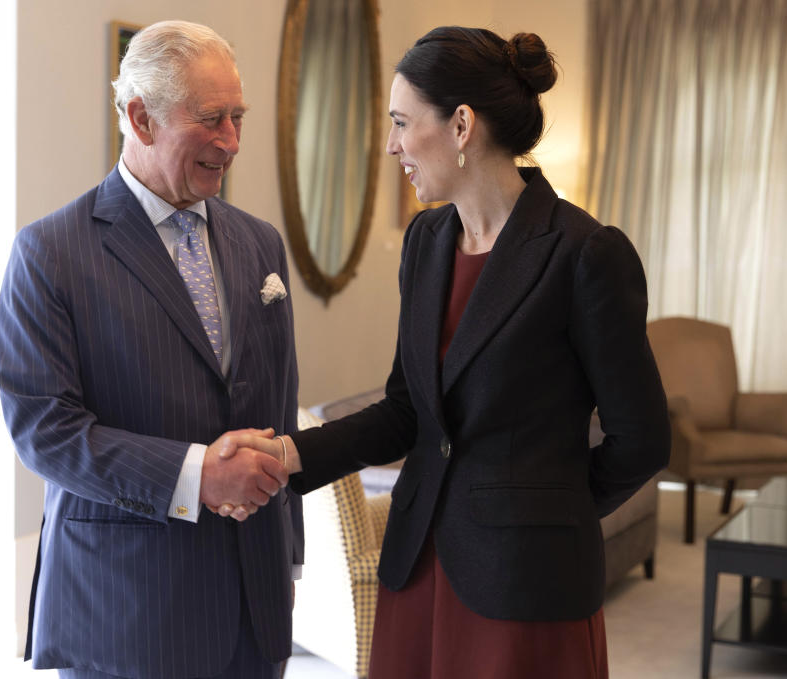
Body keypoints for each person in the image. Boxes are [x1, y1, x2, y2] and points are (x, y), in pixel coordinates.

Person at [220, 25, 670, 678]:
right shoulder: (427, 240)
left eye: (403, 122)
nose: (392, 145)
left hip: (525, 585)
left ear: (462, 125)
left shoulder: (584, 253)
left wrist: (545, 511)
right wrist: (290, 452)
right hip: (416, 561)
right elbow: (406, 408)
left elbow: (644, 438)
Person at [0, 20, 302, 679]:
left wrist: (289, 556)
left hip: (257, 609)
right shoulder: (49, 253)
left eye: (239, 117)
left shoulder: (261, 244)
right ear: (139, 117)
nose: (232, 141)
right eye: (212, 118)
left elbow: (281, 402)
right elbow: (46, 433)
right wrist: (197, 475)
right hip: (126, 612)